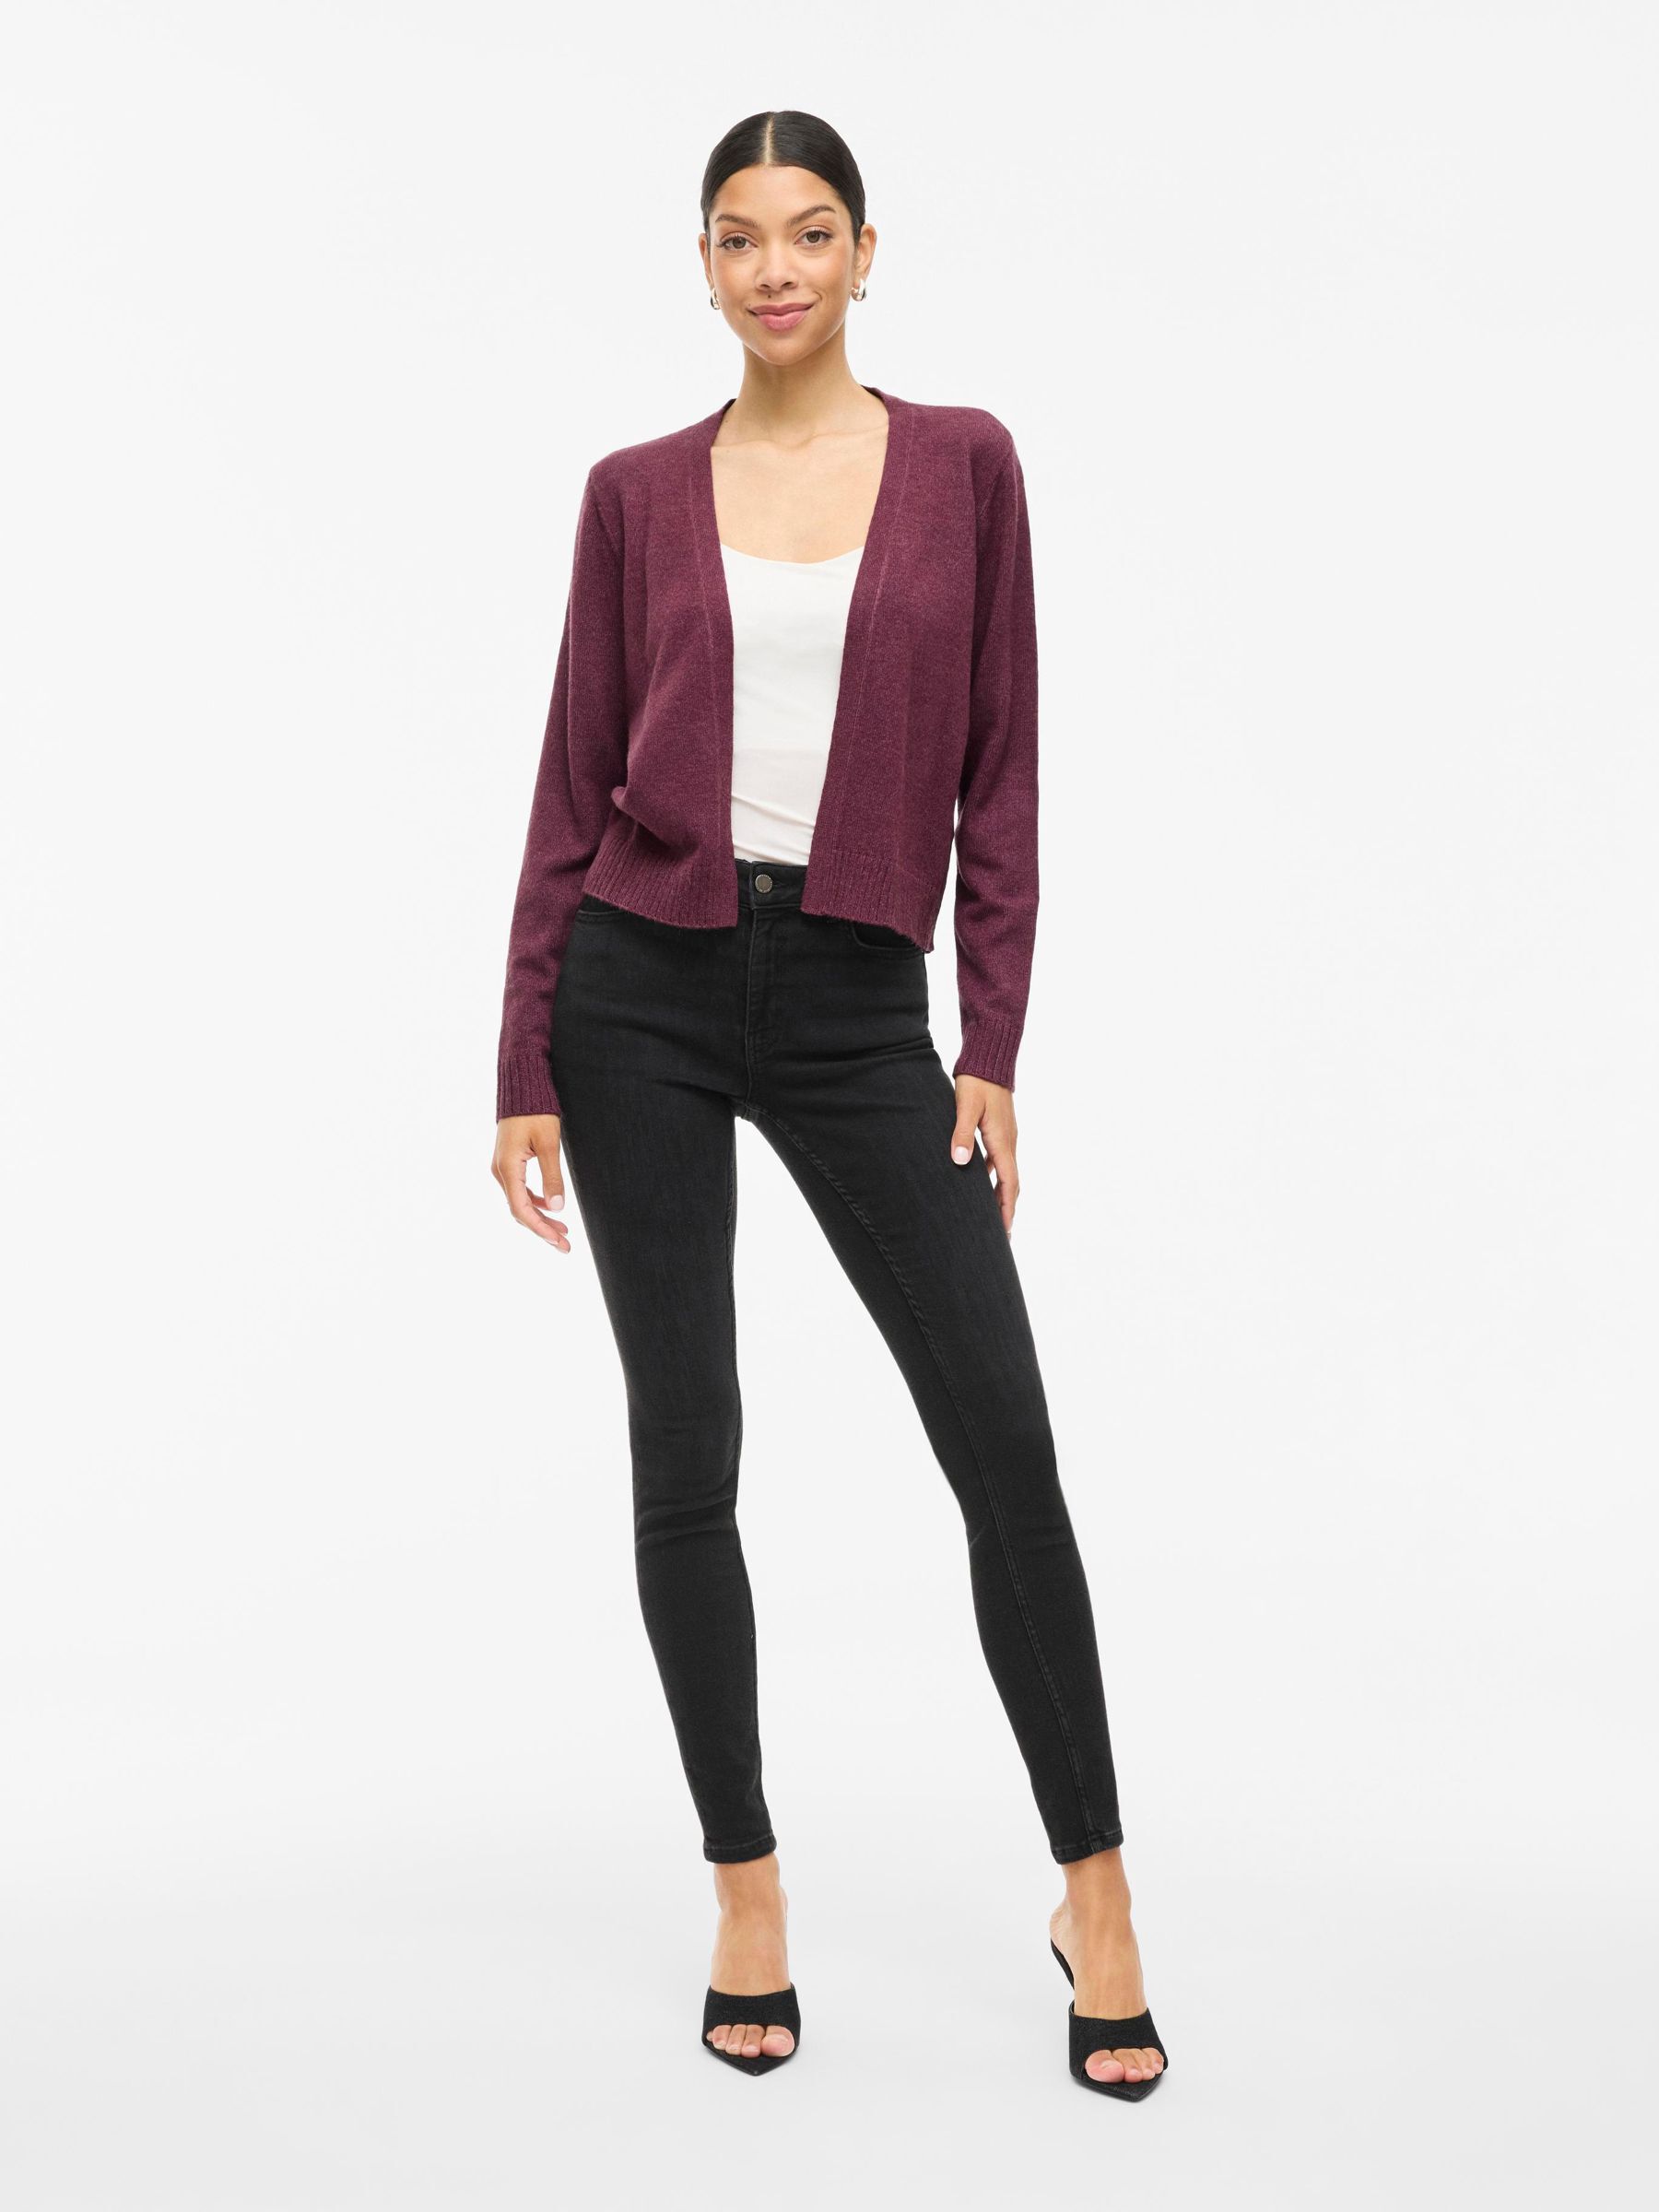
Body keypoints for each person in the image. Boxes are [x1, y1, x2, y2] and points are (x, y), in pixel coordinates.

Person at [489, 109, 1168, 2098]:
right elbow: (571, 781)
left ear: (868, 251)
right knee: (687, 1448)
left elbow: (1005, 768)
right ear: (703, 267)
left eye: (807, 232)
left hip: (864, 999)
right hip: (640, 987)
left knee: (1004, 1443)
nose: (773, 267)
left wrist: (992, 1041)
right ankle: (747, 1884)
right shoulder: (633, 494)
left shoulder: (965, 466)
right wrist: (524, 1053)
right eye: (736, 236)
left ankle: (1100, 1889)